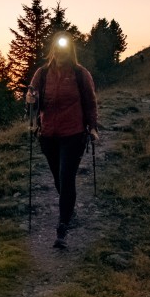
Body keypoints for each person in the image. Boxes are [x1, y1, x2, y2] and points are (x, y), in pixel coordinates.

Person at [28, 35, 98, 248]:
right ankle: (68, 209)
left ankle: (63, 226)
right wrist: (30, 102)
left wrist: (92, 127)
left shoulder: (80, 74)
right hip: (48, 134)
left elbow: (90, 101)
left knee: (66, 177)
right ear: (53, 51)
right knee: (59, 179)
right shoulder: (41, 74)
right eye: (58, 49)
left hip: (74, 134)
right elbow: (33, 100)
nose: (61, 53)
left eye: (65, 49)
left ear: (70, 52)